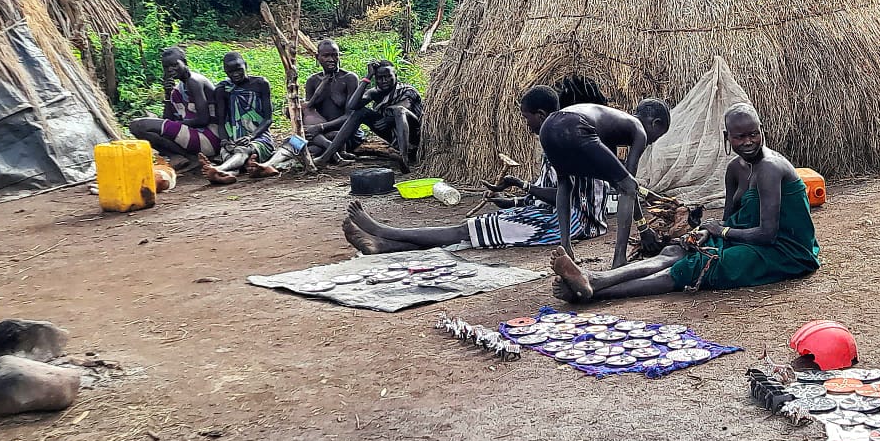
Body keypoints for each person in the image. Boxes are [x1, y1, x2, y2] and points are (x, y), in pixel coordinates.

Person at [550, 103, 818, 302]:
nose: (748, 142)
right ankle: (592, 279)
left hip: (783, 252)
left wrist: (720, 232)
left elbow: (767, 233)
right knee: (677, 251)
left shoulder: (770, 168)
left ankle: (592, 290)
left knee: (694, 266)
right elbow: (728, 221)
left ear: (761, 132)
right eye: (739, 137)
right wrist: (704, 233)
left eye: (753, 134)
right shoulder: (735, 170)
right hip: (747, 239)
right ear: (727, 138)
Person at [340, 84, 612, 253]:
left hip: (574, 223)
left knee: (465, 230)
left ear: (540, 115)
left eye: (527, 118)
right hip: (566, 215)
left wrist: (524, 187)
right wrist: (516, 200)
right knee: (475, 231)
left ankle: (386, 232)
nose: (526, 124)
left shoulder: (560, 140)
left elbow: (565, 197)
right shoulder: (566, 133)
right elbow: (558, 191)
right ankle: (384, 246)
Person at [538, 98, 670, 267]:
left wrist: (634, 190)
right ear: (655, 123)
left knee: (565, 181)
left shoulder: (612, 126)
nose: (653, 142)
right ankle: (619, 260)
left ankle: (566, 247)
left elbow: (619, 181)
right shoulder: (639, 130)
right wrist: (643, 228)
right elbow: (629, 185)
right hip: (574, 125)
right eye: (659, 135)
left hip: (549, 127)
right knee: (628, 187)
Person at [127, 47, 220, 171]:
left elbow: (203, 120)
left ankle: (188, 157)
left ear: (185, 63)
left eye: (174, 65)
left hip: (210, 138)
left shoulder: (194, 81)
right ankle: (183, 157)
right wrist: (167, 94)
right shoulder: (178, 89)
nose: (170, 69)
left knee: (138, 126)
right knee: (147, 129)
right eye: (166, 67)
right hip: (195, 135)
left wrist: (176, 124)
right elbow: (168, 119)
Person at [316, 60, 424, 167]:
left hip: (415, 136)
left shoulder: (407, 91)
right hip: (392, 134)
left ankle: (404, 158)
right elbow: (352, 106)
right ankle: (325, 157)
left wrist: (390, 119)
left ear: (395, 76)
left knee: (398, 111)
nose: (384, 81)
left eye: (387, 77)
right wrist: (368, 77)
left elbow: (404, 108)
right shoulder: (375, 92)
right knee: (360, 112)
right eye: (379, 78)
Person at [200, 52, 279, 185]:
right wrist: (225, 141)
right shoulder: (223, 89)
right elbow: (221, 121)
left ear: (246, 66)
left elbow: (268, 119)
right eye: (230, 71)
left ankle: (219, 169)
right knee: (230, 151)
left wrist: (250, 137)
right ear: (225, 71)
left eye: (238, 69)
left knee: (243, 150)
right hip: (233, 137)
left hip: (259, 137)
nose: (235, 74)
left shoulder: (260, 83)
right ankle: (229, 174)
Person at [303, 39, 362, 161]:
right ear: (317, 57)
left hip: (345, 133)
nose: (331, 59)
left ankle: (330, 154)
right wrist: (311, 130)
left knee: (315, 148)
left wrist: (320, 127)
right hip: (321, 133)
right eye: (326, 56)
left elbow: (351, 116)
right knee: (299, 144)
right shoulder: (313, 81)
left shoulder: (349, 79)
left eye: (335, 55)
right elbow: (308, 112)